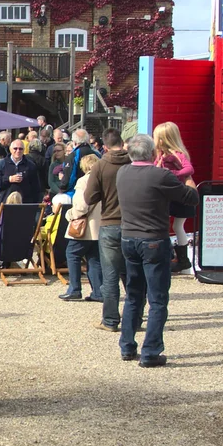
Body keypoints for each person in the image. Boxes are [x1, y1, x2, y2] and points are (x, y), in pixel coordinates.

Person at [116, 134, 198, 367]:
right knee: (158, 299)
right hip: (153, 239)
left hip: (129, 238)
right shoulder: (160, 175)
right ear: (152, 154)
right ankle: (150, 351)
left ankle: (127, 345)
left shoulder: (123, 173)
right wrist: (188, 176)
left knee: (133, 294)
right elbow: (191, 198)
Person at [84, 129, 130, 332]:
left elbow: (89, 198)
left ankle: (110, 320)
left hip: (110, 222)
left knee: (110, 275)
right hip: (132, 224)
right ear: (121, 141)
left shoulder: (101, 165)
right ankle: (134, 316)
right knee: (132, 273)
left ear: (104, 145)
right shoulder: (133, 162)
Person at [151, 122, 196, 271]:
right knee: (171, 226)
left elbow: (189, 169)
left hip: (177, 195)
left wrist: (173, 174)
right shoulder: (160, 155)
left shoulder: (177, 154)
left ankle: (183, 259)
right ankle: (176, 257)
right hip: (168, 194)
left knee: (177, 226)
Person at [60, 153, 103, 302]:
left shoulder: (84, 181)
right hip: (99, 226)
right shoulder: (104, 179)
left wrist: (69, 214)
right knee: (94, 258)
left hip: (85, 227)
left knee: (72, 254)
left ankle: (74, 288)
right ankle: (98, 291)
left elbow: (81, 206)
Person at [0, 137, 42, 206]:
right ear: (10, 149)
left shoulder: (30, 165)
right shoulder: (1, 164)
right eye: (15, 148)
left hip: (25, 205)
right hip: (6, 203)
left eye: (20, 149)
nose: (18, 151)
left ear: (24, 150)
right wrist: (9, 179)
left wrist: (36, 205)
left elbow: (36, 187)